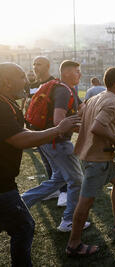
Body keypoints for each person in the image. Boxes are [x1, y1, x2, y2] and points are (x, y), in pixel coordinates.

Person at [0, 62, 80, 267]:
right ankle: (68, 220)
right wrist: (58, 130)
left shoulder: (8, 103)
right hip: (2, 184)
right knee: (24, 226)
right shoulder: (1, 106)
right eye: (21, 77)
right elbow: (19, 139)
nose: (27, 80)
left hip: (6, 181)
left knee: (58, 179)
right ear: (7, 82)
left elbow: (23, 134)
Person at [66, 67, 115, 256]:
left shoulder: (96, 98)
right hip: (96, 160)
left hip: (93, 155)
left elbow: (81, 118)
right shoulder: (112, 102)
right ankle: (74, 244)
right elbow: (97, 127)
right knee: (85, 203)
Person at [22, 60, 91, 231]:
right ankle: (69, 221)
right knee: (76, 180)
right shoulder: (63, 91)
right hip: (58, 143)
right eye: (77, 71)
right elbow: (59, 121)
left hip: (48, 142)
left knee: (58, 179)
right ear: (66, 73)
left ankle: (20, 201)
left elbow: (82, 109)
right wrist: (84, 131)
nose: (80, 74)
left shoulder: (64, 88)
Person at [28, 56, 70, 206]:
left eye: (38, 64)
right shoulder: (32, 85)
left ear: (47, 66)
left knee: (60, 165)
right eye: (34, 64)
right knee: (48, 164)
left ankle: (64, 192)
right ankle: (56, 190)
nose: (35, 66)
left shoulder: (55, 85)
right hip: (37, 132)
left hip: (53, 133)